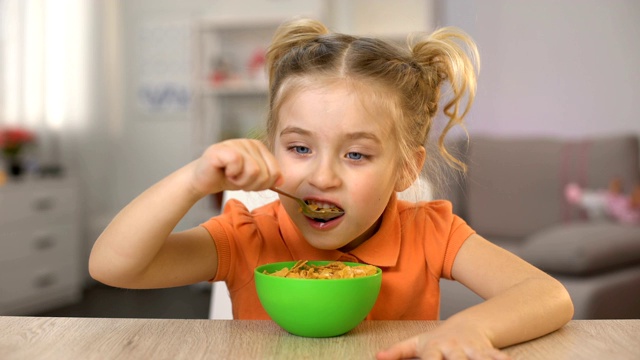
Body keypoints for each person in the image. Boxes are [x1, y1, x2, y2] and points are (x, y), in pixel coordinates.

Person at [89, 17, 574, 359]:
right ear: (271, 147)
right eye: (299, 148)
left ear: (406, 169)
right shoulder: (248, 235)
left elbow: (548, 295)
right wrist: (193, 179)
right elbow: (113, 267)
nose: (322, 177)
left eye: (356, 155)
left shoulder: (430, 233)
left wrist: (467, 326)